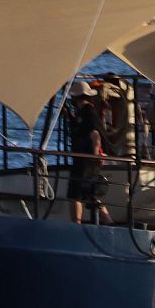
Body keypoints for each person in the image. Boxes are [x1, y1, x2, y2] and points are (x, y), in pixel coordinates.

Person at [67, 81, 112, 224]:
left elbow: (95, 134)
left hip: (84, 160)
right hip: (88, 160)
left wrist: (95, 153)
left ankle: (77, 224)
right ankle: (108, 221)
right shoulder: (86, 112)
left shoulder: (88, 112)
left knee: (75, 194)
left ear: (76, 98)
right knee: (91, 193)